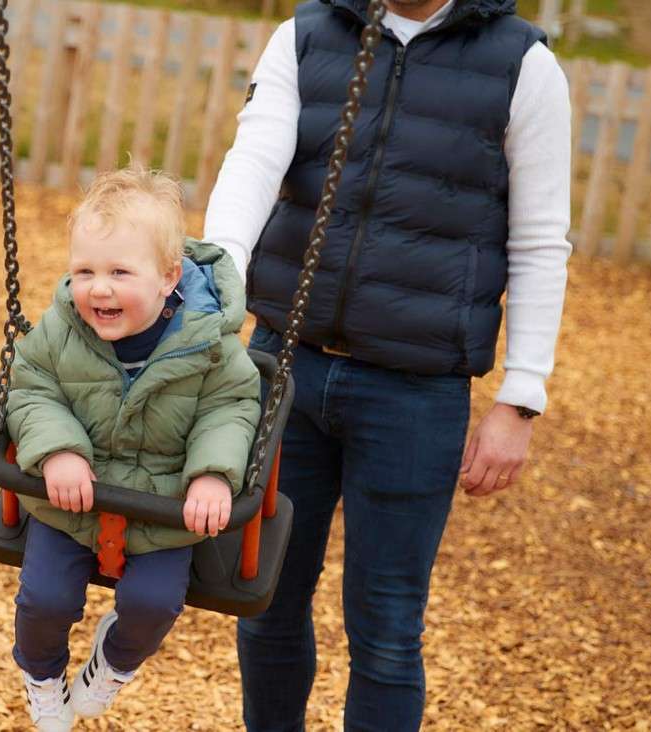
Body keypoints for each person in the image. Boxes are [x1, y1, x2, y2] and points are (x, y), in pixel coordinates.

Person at [203, 0, 573, 729]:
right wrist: (217, 289)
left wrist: (521, 396)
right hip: (285, 366)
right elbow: (253, 163)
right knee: (264, 600)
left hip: (416, 391)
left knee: (387, 632)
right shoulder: (307, 36)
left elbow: (538, 239)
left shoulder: (522, 65)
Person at [5, 166, 262, 731]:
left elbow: (233, 409)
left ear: (169, 277)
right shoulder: (61, 330)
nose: (99, 288)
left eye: (120, 271)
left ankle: (114, 663)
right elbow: (30, 389)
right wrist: (57, 451)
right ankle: (42, 675)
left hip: (165, 507)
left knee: (152, 606)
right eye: (85, 271)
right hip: (72, 502)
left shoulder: (210, 346)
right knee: (43, 600)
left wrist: (213, 476)